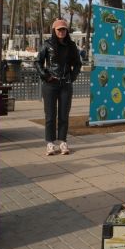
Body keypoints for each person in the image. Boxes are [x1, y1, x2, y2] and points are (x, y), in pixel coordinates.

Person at [34, 19, 82, 156]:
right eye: (59, 29)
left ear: (67, 31)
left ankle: (63, 142)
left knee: (64, 115)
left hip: (66, 84)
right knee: (50, 115)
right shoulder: (47, 45)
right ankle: (50, 143)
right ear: (54, 31)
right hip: (50, 84)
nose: (62, 32)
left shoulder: (71, 46)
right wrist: (46, 76)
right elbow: (37, 62)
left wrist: (72, 77)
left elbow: (78, 63)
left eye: (64, 29)